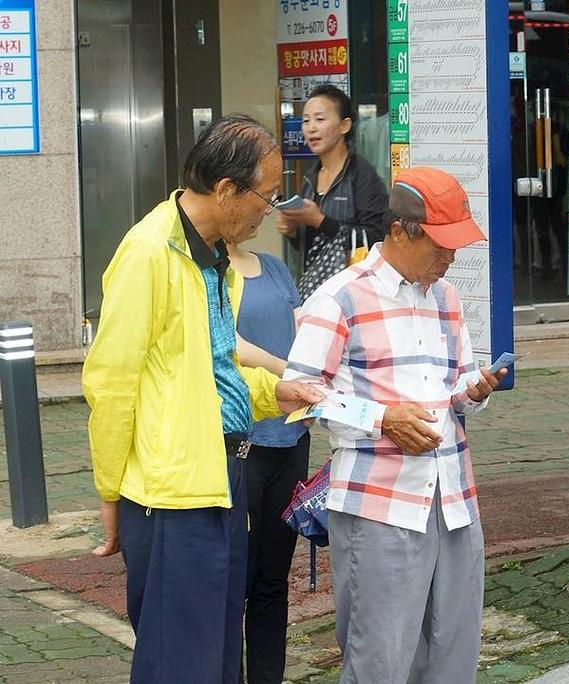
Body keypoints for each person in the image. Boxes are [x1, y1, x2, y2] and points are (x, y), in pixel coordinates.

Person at [83, 114, 324, 684]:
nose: (270, 210)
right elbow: (111, 383)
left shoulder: (214, 258)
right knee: (180, 662)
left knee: (217, 656)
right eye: (265, 196)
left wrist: (275, 392)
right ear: (224, 190)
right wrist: (110, 491)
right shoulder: (150, 253)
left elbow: (213, 371)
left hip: (223, 479)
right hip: (172, 494)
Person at [283, 167, 503, 682]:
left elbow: (454, 389)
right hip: (378, 505)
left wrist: (472, 393)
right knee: (378, 661)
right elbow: (297, 394)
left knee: (453, 654)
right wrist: (381, 419)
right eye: (442, 244)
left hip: (454, 500)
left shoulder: (446, 298)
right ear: (402, 230)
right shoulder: (340, 297)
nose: (451, 257)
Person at [227, 239, 310, 683]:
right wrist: (290, 373)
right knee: (234, 581)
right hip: (243, 443)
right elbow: (230, 345)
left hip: (291, 438)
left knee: (273, 581)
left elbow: (302, 331)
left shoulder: (275, 268)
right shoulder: (213, 272)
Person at [276, 85, 388, 299]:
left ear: (344, 125)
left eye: (320, 119)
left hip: (357, 294)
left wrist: (319, 220)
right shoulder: (310, 179)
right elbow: (314, 248)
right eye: (306, 120)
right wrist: (292, 231)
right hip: (318, 293)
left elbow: (378, 238)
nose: (311, 128)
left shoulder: (361, 175)